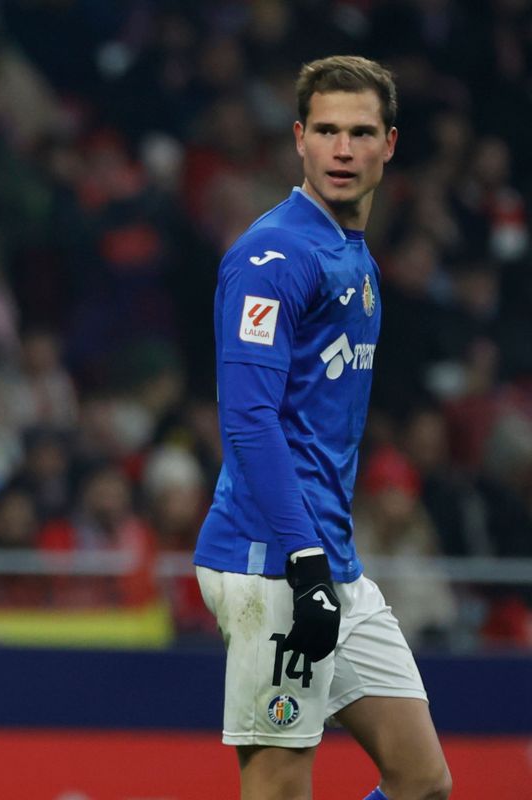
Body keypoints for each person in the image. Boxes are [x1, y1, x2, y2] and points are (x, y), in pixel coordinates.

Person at [193, 56, 452, 800]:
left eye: (361, 132)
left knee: (423, 782)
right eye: (328, 131)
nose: (344, 149)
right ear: (300, 140)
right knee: (279, 790)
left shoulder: (354, 256)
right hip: (271, 561)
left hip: (332, 562)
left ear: (389, 144)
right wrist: (303, 559)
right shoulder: (271, 257)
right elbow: (247, 418)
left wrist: (323, 559)